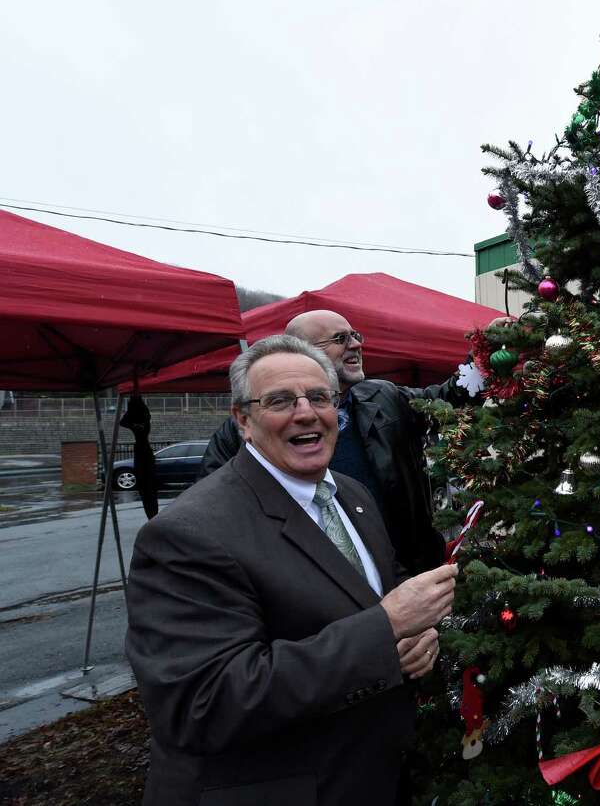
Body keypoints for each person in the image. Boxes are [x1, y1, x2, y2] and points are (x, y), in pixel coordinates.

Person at [126, 335, 459, 805]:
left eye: (319, 397)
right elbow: (203, 704)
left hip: (370, 775)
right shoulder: (186, 533)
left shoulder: (351, 495)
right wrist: (386, 630)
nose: (306, 413)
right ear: (243, 419)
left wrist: (415, 637)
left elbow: (369, 592)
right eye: (280, 400)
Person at [200, 310, 477, 574]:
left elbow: (448, 398)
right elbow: (212, 509)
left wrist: (482, 358)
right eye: (340, 339)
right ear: (303, 352)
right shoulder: (244, 428)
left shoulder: (384, 397)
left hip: (402, 569)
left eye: (355, 335)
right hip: (306, 584)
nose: (356, 344)